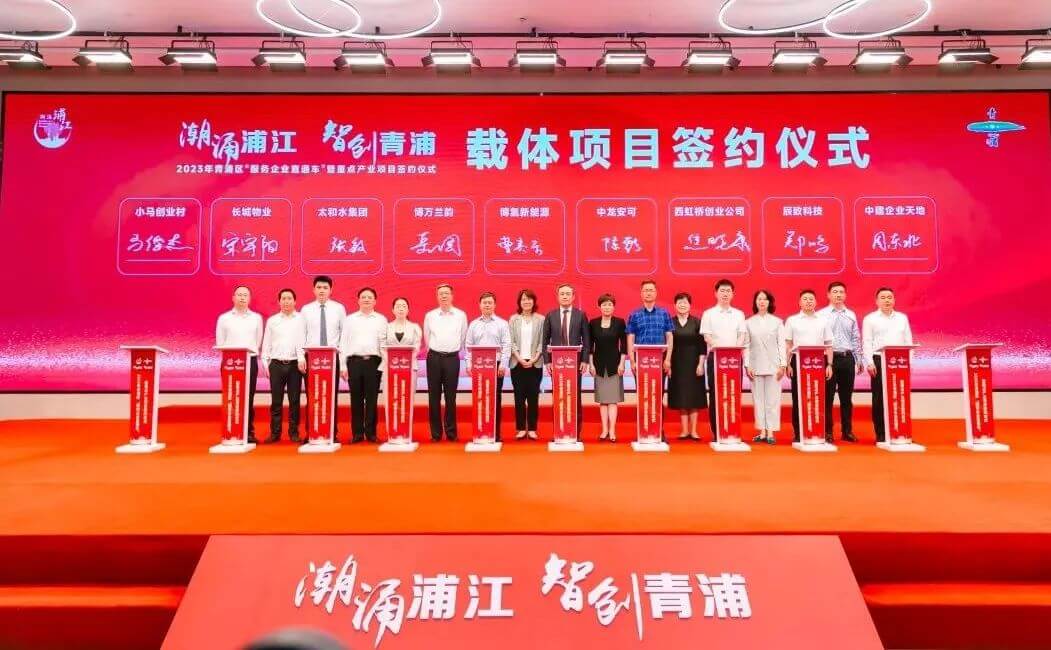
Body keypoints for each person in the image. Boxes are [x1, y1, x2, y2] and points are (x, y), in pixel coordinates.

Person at [863, 287, 914, 443]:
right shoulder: (870, 319)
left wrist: (909, 363)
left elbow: (908, 341)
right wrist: (869, 362)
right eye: (883, 297)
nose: (887, 300)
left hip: (900, 362)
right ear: (877, 301)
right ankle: (881, 434)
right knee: (879, 398)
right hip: (879, 360)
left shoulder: (902, 318)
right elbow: (867, 342)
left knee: (900, 396)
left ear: (894, 300)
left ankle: (901, 431)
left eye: (889, 297)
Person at [215, 285, 264, 444]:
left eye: (245, 295)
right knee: (230, 397)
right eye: (239, 295)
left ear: (249, 298)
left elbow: (257, 341)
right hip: (230, 363)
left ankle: (248, 432)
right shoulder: (224, 318)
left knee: (248, 397)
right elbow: (220, 342)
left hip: (250, 361)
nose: (242, 297)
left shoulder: (256, 318)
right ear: (233, 298)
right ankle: (230, 430)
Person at [300, 276, 347, 442]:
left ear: (331, 290)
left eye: (325, 288)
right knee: (312, 396)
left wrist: (343, 363)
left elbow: (344, 336)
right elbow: (301, 334)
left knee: (330, 395)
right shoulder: (306, 310)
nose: (322, 290)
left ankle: (332, 433)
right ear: (313, 290)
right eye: (319, 287)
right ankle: (311, 432)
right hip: (311, 358)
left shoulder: (339, 309)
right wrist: (301, 357)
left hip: (332, 358)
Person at [784, 289, 834, 443]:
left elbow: (829, 344)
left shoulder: (823, 320)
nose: (808, 301)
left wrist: (829, 364)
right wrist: (787, 364)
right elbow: (788, 344)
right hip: (798, 361)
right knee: (798, 397)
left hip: (819, 362)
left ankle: (819, 430)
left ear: (816, 302)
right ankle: (799, 433)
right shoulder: (792, 320)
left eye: (811, 299)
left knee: (818, 396)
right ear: (799, 303)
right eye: (805, 299)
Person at [339, 287, 388, 444]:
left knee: (372, 399)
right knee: (356, 398)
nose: (366, 299)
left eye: (369, 297)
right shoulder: (350, 319)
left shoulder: (381, 319)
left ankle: (371, 433)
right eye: (363, 297)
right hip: (354, 362)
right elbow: (343, 343)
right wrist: (343, 366)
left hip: (374, 363)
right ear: (358, 300)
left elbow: (384, 344)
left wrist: (385, 364)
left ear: (375, 301)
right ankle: (357, 434)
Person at [542, 284, 590, 438]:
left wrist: (585, 360)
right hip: (556, 363)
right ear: (557, 297)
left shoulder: (580, 315)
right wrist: (547, 361)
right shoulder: (550, 315)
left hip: (575, 363)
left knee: (575, 395)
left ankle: (576, 432)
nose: (565, 296)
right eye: (562, 294)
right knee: (558, 396)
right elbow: (545, 341)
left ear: (573, 296)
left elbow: (586, 340)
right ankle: (559, 430)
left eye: (568, 294)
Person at [699, 279, 747, 438]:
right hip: (716, 357)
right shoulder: (709, 314)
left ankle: (733, 430)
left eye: (728, 291)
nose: (725, 294)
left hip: (734, 359)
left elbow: (742, 335)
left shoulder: (739, 314)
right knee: (716, 394)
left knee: (733, 393)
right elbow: (707, 336)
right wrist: (720, 349)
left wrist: (734, 350)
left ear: (733, 294)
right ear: (716, 293)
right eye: (722, 291)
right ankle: (717, 432)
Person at [818, 281, 863, 443]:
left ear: (845, 295)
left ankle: (847, 431)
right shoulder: (821, 315)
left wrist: (859, 359)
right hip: (828, 360)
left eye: (841, 292)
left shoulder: (851, 315)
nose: (838, 295)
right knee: (827, 397)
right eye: (835, 292)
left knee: (846, 398)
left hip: (847, 358)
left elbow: (855, 338)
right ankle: (827, 432)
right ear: (828, 295)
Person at [260, 288, 306, 444]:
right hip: (276, 364)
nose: (286, 301)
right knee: (276, 401)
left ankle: (294, 432)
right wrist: (266, 363)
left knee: (294, 400)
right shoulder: (272, 320)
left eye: (289, 298)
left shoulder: (301, 319)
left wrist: (301, 358)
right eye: (283, 298)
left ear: (295, 301)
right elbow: (266, 343)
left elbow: (303, 341)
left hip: (295, 365)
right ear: (279, 301)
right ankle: (275, 433)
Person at [423, 284, 468, 442]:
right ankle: (436, 433)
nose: (444, 296)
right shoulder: (430, 315)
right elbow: (427, 338)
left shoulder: (460, 315)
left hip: (452, 359)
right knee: (433, 396)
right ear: (437, 297)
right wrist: (435, 352)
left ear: (452, 296)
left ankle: (451, 432)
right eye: (441, 293)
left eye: (446, 293)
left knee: (451, 397)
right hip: (434, 358)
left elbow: (463, 337)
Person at [465, 292, 511, 442]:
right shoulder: (473, 324)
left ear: (494, 305)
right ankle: (479, 431)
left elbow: (506, 345)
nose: (487, 305)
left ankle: (495, 433)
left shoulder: (502, 323)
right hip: (478, 366)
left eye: (490, 302)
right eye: (484, 302)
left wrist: (503, 364)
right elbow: (468, 346)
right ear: (480, 305)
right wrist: (468, 364)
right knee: (479, 397)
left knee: (495, 398)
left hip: (496, 366)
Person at [744, 290, 786, 444]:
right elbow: (746, 346)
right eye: (759, 299)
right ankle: (762, 431)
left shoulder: (777, 322)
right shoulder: (748, 322)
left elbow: (782, 344)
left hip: (774, 366)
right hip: (755, 365)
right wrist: (747, 365)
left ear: (769, 302)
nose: (762, 301)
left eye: (765, 299)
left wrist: (783, 364)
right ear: (755, 302)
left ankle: (771, 432)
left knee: (772, 400)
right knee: (758, 399)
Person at [667, 292, 707, 441]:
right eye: (679, 302)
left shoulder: (697, 322)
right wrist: (668, 364)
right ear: (675, 305)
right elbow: (668, 345)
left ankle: (694, 431)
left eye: (685, 302)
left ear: (690, 305)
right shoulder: (670, 322)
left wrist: (701, 364)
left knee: (694, 397)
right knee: (681, 397)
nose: (682, 305)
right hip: (676, 364)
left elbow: (702, 346)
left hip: (694, 364)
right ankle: (684, 431)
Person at [588, 294, 627, 442]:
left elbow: (623, 345)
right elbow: (590, 346)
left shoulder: (619, 322)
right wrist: (591, 364)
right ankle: (604, 430)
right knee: (603, 400)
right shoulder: (593, 323)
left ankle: (612, 431)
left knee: (613, 400)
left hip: (614, 365)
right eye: (604, 304)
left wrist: (622, 363)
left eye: (610, 304)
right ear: (599, 307)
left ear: (613, 307)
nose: (607, 307)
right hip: (598, 365)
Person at [509, 289, 544, 440]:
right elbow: (511, 342)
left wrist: (534, 359)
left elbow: (542, 341)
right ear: (519, 302)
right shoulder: (513, 319)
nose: (526, 302)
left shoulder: (541, 319)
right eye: (523, 299)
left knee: (533, 397)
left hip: (535, 364)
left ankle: (533, 429)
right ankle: (521, 428)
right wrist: (519, 358)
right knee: (519, 397)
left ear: (533, 301)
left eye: (529, 299)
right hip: (517, 363)